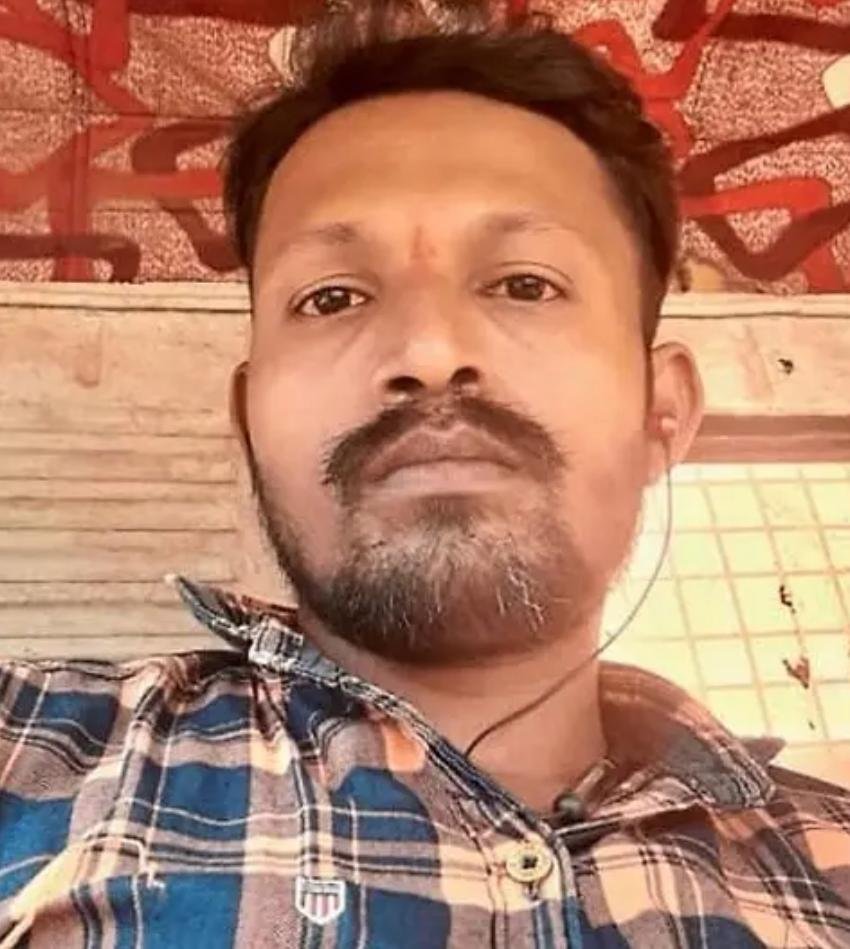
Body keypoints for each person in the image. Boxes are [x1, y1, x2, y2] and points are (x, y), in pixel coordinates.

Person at [1, 5, 848, 947]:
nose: (429, 350)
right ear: (247, 426)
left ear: (663, 412)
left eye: (525, 283)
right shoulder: (28, 756)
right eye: (332, 296)